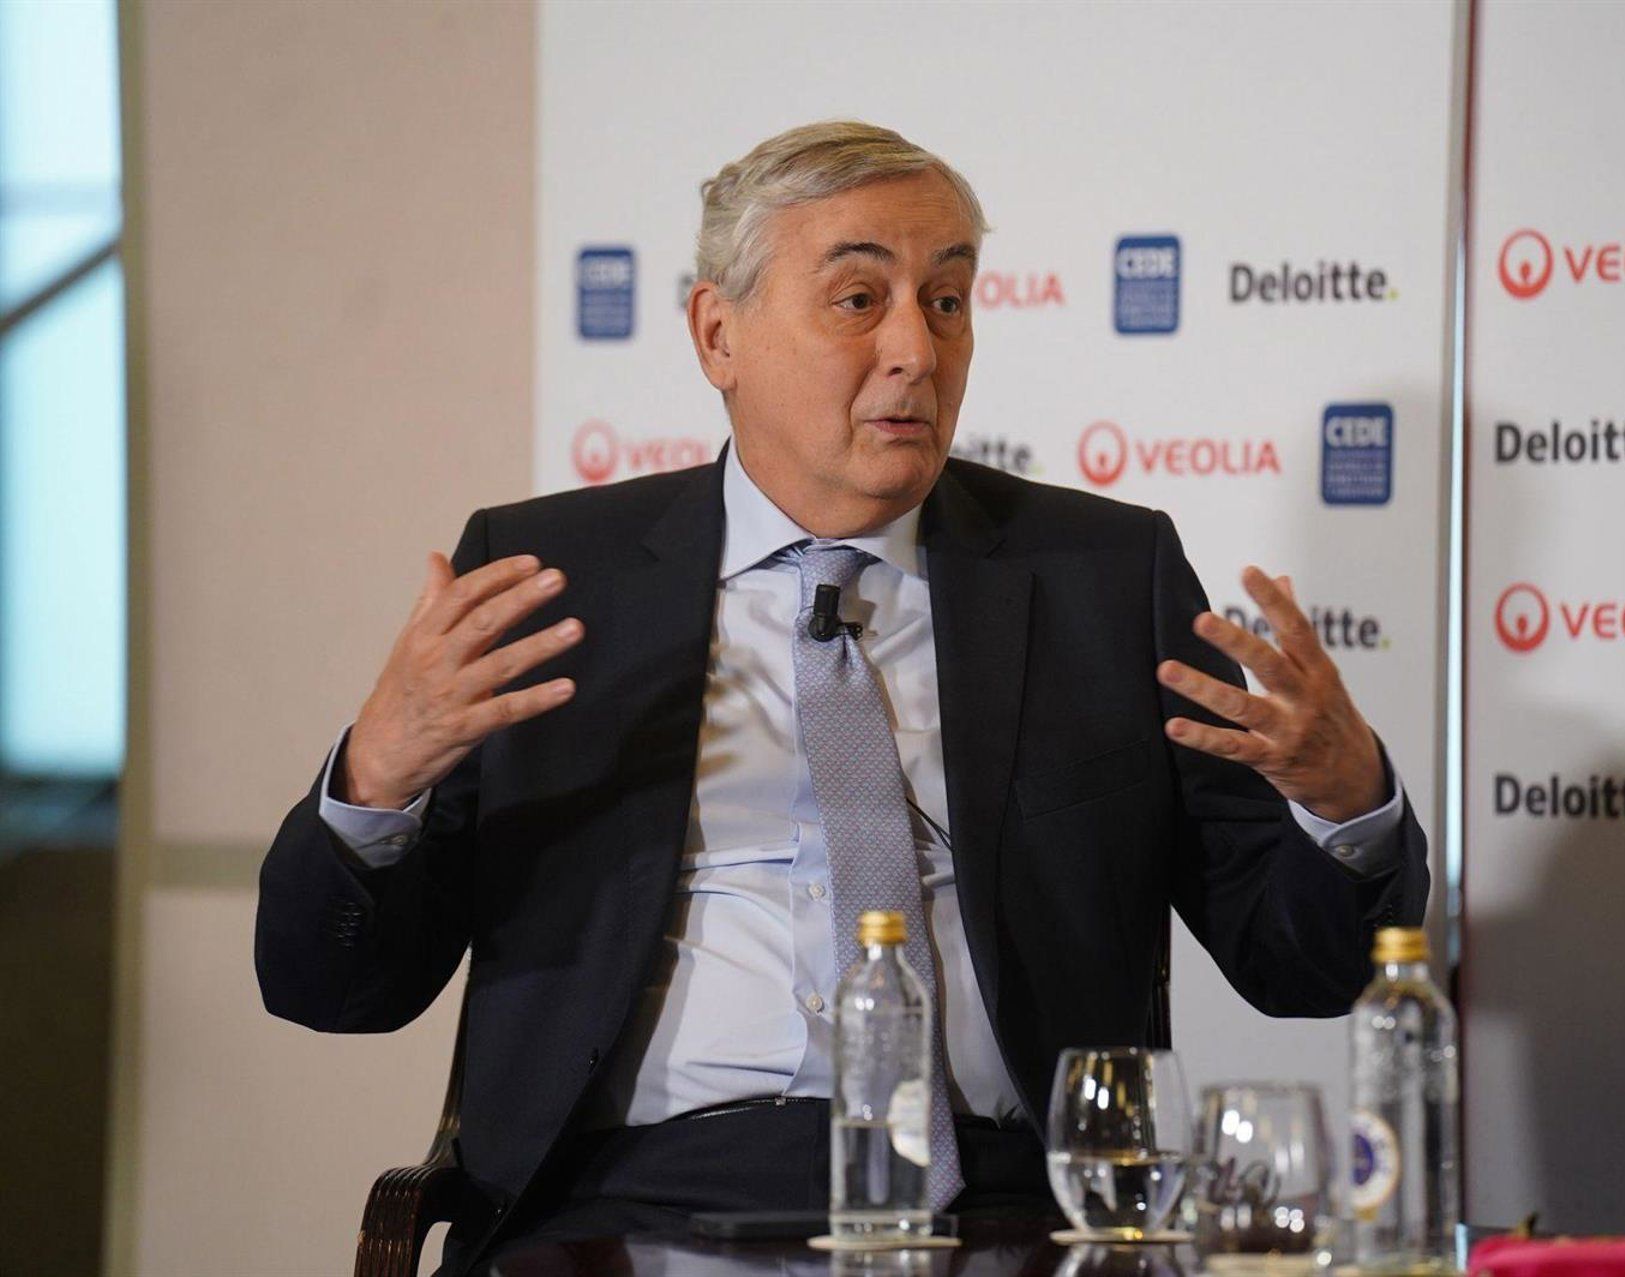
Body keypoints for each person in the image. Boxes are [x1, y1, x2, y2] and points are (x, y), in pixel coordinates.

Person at [254, 121, 1428, 1275]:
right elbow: (333, 988)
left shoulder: (1103, 578)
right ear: (718, 333)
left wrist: (1348, 805)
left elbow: (1307, 969)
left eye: (947, 300)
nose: (917, 349)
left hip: (1009, 1208)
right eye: (860, 299)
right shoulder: (554, 580)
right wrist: (376, 780)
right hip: (627, 1204)